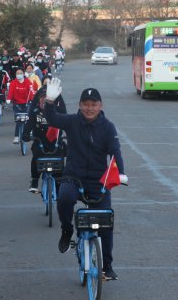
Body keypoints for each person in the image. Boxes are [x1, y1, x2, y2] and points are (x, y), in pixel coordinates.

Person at [43, 78, 128, 281]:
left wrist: (121, 173)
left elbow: (115, 152)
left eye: (94, 104)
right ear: (80, 105)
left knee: (105, 222)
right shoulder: (72, 121)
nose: (90, 108)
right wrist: (49, 101)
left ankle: (107, 265)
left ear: (100, 106)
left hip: (98, 181)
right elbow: (52, 118)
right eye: (86, 104)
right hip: (74, 177)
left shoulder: (108, 127)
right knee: (64, 198)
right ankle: (66, 229)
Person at [22, 81, 67, 192]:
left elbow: (66, 119)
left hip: (55, 141)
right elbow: (29, 124)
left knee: (60, 158)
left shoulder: (57, 111)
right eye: (42, 97)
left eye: (46, 97)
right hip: (40, 141)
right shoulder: (35, 112)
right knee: (36, 157)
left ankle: (59, 183)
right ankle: (35, 181)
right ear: (38, 99)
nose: (44, 99)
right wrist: (25, 134)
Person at [6, 67, 35, 144]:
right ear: (15, 74)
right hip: (17, 104)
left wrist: (33, 99)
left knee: (28, 118)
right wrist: (9, 99)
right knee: (18, 120)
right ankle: (16, 136)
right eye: (17, 73)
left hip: (27, 103)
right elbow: (10, 92)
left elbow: (31, 92)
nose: (19, 75)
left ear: (23, 74)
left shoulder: (28, 82)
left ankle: (30, 132)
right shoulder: (13, 83)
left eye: (20, 73)